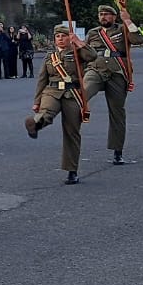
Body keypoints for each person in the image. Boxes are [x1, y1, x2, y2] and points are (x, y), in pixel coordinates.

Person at [25, 25, 97, 184]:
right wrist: (36, 101)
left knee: (72, 132)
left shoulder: (78, 53)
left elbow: (92, 56)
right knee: (46, 111)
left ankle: (72, 170)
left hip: (73, 94)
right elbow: (42, 79)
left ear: (69, 37)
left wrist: (78, 42)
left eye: (63, 36)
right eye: (57, 36)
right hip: (52, 90)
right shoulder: (50, 56)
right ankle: (36, 124)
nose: (60, 39)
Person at [83, 4, 143, 165]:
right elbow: (83, 54)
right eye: (101, 14)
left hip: (117, 73)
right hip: (96, 69)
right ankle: (75, 108)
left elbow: (138, 40)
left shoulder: (122, 29)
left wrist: (128, 20)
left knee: (117, 112)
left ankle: (117, 151)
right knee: (84, 91)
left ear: (114, 17)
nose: (103, 17)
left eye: (107, 14)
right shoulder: (93, 33)